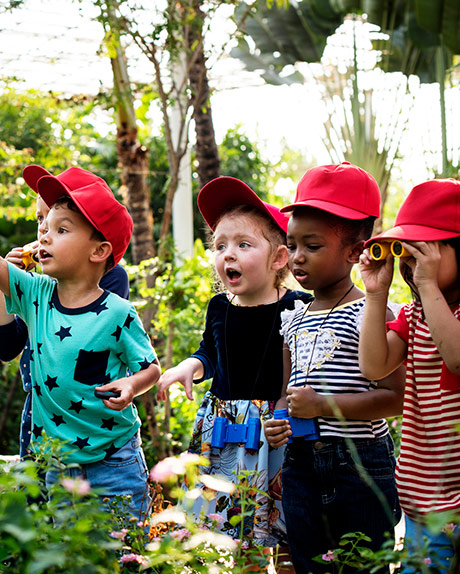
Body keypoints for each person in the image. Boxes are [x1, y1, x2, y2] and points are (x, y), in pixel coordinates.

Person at [0, 171, 160, 524]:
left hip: (114, 461)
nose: (44, 235)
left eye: (60, 229)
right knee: (67, 555)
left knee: (119, 554)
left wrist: (132, 385)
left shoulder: (117, 310)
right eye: (44, 225)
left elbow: (150, 368)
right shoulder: (35, 293)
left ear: (99, 250)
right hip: (57, 463)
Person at [156, 177, 310, 571]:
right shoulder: (219, 307)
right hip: (225, 432)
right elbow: (211, 352)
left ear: (279, 258)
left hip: (278, 432)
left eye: (243, 244)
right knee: (242, 534)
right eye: (220, 245)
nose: (228, 254)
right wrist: (188, 366)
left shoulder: (298, 306)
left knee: (288, 530)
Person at [264, 162, 403, 574]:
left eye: (313, 245)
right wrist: (278, 419)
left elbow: (393, 399)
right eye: (293, 244)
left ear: (355, 252)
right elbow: (288, 392)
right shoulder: (294, 317)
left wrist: (323, 405)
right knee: (309, 564)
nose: (298, 257)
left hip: (358, 465)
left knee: (363, 565)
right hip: (300, 464)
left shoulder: (372, 313)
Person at [0, 164, 129, 459]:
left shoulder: (112, 278)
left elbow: (90, 339)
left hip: (89, 414)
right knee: (38, 497)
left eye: (59, 226)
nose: (43, 230)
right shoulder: (35, 284)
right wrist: (9, 282)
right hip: (40, 407)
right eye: (40, 219)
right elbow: (5, 348)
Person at [358, 178, 460, 574]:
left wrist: (429, 284)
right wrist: (375, 293)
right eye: (405, 253)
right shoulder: (414, 315)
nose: (410, 266)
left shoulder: (439, 310)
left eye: (423, 252)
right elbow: (374, 366)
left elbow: (455, 359)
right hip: (419, 498)